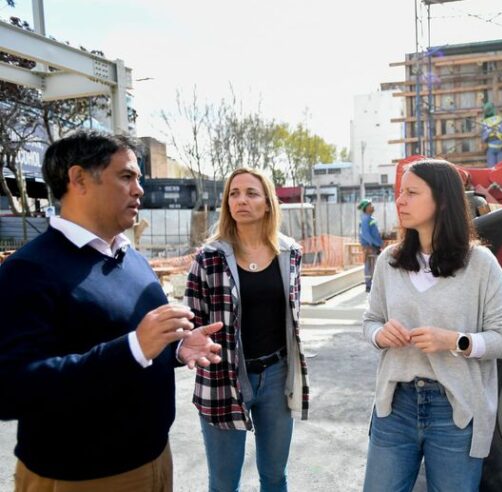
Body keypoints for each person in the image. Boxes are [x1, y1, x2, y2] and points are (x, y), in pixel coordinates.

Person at [0, 130, 223, 491]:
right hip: (82, 478)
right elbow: (11, 388)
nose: (139, 190)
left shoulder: (132, 258)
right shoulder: (28, 271)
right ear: (78, 179)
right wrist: (133, 348)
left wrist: (175, 349)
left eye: (139, 178)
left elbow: (129, 343)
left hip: (154, 462)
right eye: (126, 177)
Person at [362, 159, 502, 491]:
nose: (400, 201)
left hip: (456, 410)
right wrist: (380, 334)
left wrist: (456, 341)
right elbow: (370, 322)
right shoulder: (389, 261)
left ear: (443, 200)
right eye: (401, 192)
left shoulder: (481, 264)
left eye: (412, 193)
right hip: (395, 406)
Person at [185, 167, 309, 492]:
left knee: (274, 476)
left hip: (276, 377)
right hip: (223, 379)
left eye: (251, 193)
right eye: (234, 194)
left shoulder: (290, 254)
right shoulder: (208, 258)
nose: (241, 200)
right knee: (224, 483)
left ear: (268, 203)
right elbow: (191, 323)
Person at [358, 198, 383, 292]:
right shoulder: (365, 219)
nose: (372, 207)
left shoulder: (370, 218)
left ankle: (372, 284)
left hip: (373, 246)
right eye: (370, 205)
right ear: (366, 208)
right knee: (369, 265)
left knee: (373, 265)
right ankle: (369, 285)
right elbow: (365, 234)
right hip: (369, 246)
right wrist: (375, 243)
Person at [480, 102, 502, 168]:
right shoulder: (500, 119)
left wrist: (490, 131)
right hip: (499, 147)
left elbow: (484, 137)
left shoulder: (485, 122)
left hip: (492, 147)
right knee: (500, 168)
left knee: (492, 168)